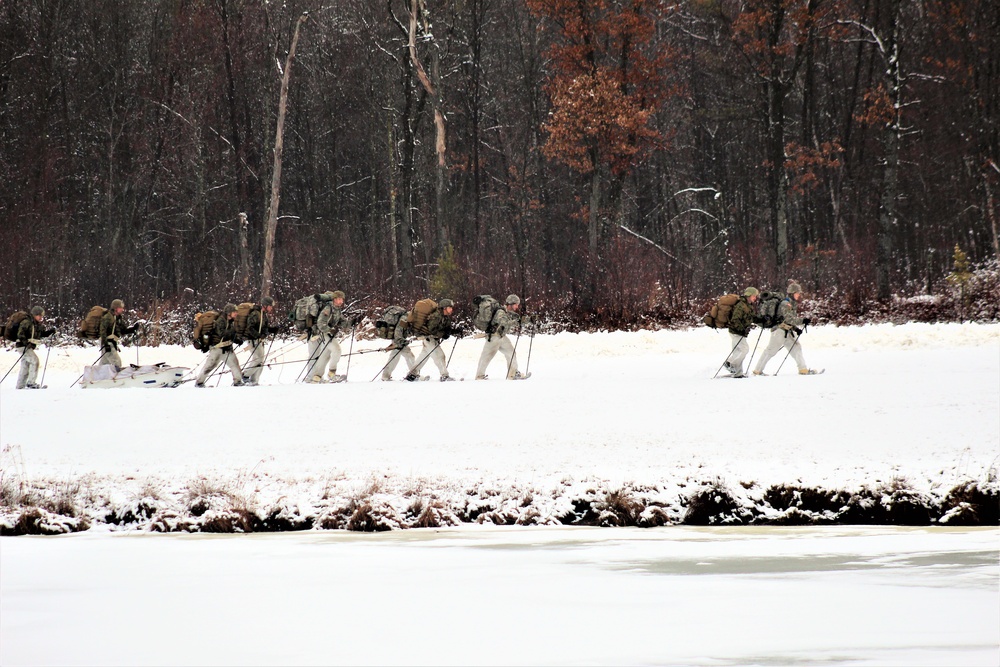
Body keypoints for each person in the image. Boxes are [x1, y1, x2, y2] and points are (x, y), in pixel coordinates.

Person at [752, 281, 819, 376]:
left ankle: (803, 369)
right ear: (793, 293)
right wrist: (802, 320)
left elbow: (788, 320)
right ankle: (757, 371)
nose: (799, 295)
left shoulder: (791, 304)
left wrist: (795, 329)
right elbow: (789, 319)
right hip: (779, 331)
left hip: (787, 331)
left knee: (796, 348)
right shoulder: (785, 304)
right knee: (770, 351)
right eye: (797, 293)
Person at [405, 298, 460, 382]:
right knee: (440, 356)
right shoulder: (436, 316)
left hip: (432, 340)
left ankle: (412, 375)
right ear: (444, 308)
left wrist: (455, 331)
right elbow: (431, 330)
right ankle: (444, 375)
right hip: (429, 339)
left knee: (423, 357)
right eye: (450, 307)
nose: (451, 309)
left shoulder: (446, 317)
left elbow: (446, 329)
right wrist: (444, 334)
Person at [475, 294, 527, 380]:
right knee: (486, 357)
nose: (517, 306)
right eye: (516, 304)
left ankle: (513, 374)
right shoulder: (501, 311)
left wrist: (526, 320)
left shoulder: (506, 311)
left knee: (511, 353)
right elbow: (505, 323)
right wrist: (518, 322)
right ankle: (479, 376)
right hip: (494, 337)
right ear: (511, 304)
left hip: (501, 336)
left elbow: (515, 318)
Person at [306, 290, 352, 383]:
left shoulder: (337, 309)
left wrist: (353, 322)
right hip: (323, 333)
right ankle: (332, 373)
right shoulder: (328, 308)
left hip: (327, 333)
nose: (341, 301)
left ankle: (317, 377)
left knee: (326, 354)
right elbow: (320, 323)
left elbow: (343, 322)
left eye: (342, 299)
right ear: (334, 299)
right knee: (336, 350)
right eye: (339, 299)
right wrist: (330, 330)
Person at [195, 303, 244, 387]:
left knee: (235, 364)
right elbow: (221, 333)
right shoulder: (221, 320)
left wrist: (237, 340)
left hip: (227, 348)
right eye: (234, 312)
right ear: (229, 312)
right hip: (217, 348)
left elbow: (229, 334)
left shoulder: (230, 321)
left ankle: (238, 381)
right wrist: (233, 334)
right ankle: (199, 382)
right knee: (210, 366)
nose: (236, 313)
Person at [242, 296, 279, 386]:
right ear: (265, 305)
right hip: (253, 340)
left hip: (259, 340)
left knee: (260, 360)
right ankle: (245, 375)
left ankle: (254, 381)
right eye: (270, 306)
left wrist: (272, 329)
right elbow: (249, 327)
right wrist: (257, 335)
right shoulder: (255, 313)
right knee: (258, 360)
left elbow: (264, 328)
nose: (271, 308)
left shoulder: (263, 314)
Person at [15, 306, 55, 389]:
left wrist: (50, 331)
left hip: (27, 346)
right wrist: (26, 342)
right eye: (39, 315)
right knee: (35, 361)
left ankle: (20, 385)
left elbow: (42, 334)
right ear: (34, 315)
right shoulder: (27, 322)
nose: (41, 317)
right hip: (23, 346)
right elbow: (20, 334)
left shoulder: (37, 325)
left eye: (42, 316)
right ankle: (31, 383)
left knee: (25, 365)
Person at [723, 287, 759, 378]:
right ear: (749, 295)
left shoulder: (748, 305)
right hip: (736, 331)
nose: (755, 298)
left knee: (737, 351)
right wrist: (742, 329)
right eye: (754, 296)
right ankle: (729, 363)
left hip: (739, 332)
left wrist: (763, 319)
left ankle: (738, 373)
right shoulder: (741, 305)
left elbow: (752, 317)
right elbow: (735, 319)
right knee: (744, 349)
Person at [98, 299, 139, 369]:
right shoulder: (108, 317)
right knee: (117, 362)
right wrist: (105, 344)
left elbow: (123, 330)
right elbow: (102, 331)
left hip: (112, 342)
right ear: (116, 308)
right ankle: (116, 377)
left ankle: (98, 376)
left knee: (105, 363)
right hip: (107, 342)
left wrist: (133, 329)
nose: (123, 309)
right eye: (121, 308)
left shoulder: (118, 318)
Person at [380, 308, 416, 381]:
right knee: (409, 356)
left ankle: (385, 376)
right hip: (398, 341)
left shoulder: (409, 318)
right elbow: (398, 332)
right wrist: (401, 341)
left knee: (395, 356)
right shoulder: (404, 319)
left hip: (398, 340)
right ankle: (414, 374)